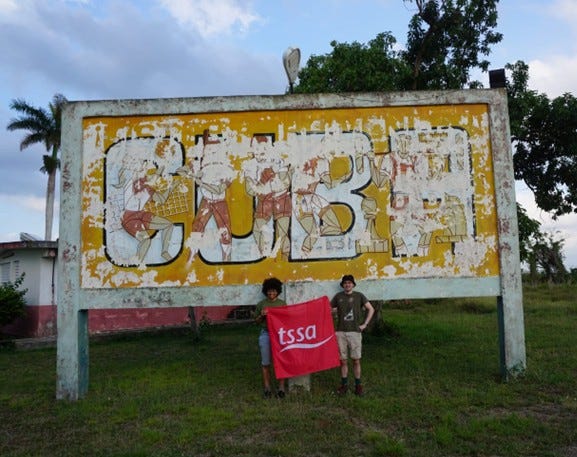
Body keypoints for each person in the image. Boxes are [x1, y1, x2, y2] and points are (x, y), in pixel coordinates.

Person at [331, 274, 375, 396]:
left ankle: (358, 385)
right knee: (343, 361)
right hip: (340, 332)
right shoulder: (338, 296)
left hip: (355, 332)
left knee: (356, 360)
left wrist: (365, 324)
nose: (347, 285)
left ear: (353, 285)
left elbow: (371, 309)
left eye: (349, 283)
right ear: (342, 285)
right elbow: (328, 309)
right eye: (345, 283)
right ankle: (344, 385)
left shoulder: (359, 296)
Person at [254, 277, 287, 398]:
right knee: (265, 362)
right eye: (269, 291)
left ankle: (281, 388)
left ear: (278, 291)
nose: (271, 293)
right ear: (265, 291)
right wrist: (262, 316)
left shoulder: (282, 304)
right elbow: (256, 321)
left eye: (274, 291)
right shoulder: (261, 304)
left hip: (280, 335)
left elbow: (287, 319)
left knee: (281, 361)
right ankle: (267, 388)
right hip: (266, 334)